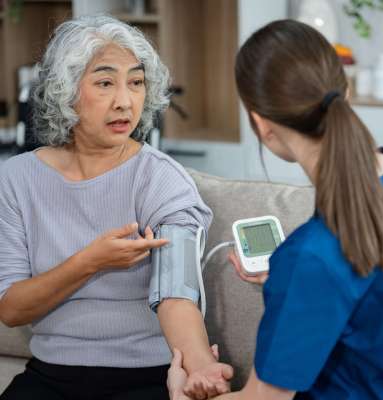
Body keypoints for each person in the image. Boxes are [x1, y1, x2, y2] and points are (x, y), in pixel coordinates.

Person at [0, 15, 233, 400]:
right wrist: (90, 261)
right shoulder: (18, 179)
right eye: (105, 82)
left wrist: (200, 365)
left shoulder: (162, 180)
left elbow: (178, 293)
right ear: (66, 90)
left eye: (137, 83)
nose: (126, 101)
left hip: (146, 377)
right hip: (50, 374)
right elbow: (11, 308)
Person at [167, 19, 383, 400]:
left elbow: (263, 399)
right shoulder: (312, 260)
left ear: (261, 124)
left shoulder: (311, 257)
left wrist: (178, 394)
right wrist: (292, 287)